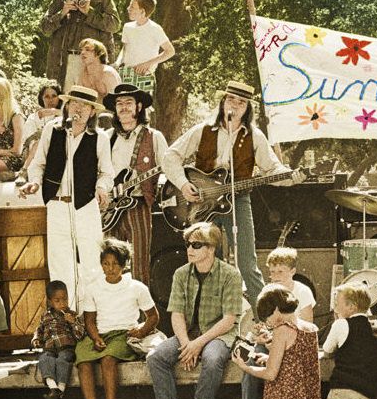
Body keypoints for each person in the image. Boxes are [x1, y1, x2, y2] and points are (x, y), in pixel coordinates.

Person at [162, 79, 296, 309]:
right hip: (201, 204)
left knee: (247, 262)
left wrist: (290, 176)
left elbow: (272, 169)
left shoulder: (255, 136)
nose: (235, 105)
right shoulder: (203, 130)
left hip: (238, 199)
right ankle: (207, 317)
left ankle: (264, 317)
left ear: (247, 108)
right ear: (223, 102)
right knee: (206, 260)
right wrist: (184, 184)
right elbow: (169, 157)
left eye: (241, 102)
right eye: (231, 99)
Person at [147, 222, 242, 399]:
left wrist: (198, 344)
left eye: (196, 245)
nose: (190, 249)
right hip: (189, 333)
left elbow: (229, 319)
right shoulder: (181, 274)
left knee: (213, 358)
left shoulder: (230, 274)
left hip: (220, 333)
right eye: (188, 244)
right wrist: (187, 343)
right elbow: (176, 314)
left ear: (210, 249)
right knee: (156, 357)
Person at [21, 84, 115, 311]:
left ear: (93, 112)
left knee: (92, 262)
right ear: (66, 105)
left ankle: (91, 315)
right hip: (57, 205)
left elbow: (106, 173)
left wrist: (102, 188)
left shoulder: (99, 137)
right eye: (74, 103)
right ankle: (65, 315)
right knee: (60, 263)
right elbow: (38, 165)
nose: (79, 109)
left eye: (85, 106)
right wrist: (34, 182)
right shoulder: (53, 131)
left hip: (85, 206)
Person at [234, 285, 322, 399]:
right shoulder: (310, 328)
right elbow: (295, 360)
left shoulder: (282, 329)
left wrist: (245, 367)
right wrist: (269, 353)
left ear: (275, 309)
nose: (267, 321)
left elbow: (270, 374)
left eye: (267, 315)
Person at [77, 239, 159, 399]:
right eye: (106, 263)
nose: (110, 268)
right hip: (99, 333)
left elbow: (153, 316)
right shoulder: (93, 287)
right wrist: (95, 337)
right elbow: (89, 320)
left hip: (123, 334)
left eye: (115, 264)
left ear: (124, 265)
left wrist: (141, 331)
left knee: (108, 359)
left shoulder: (136, 287)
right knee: (82, 359)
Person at [103, 83, 167, 286]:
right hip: (109, 208)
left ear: (139, 107)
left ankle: (143, 314)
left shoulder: (153, 137)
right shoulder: (106, 138)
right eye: (119, 103)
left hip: (138, 204)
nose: (123, 107)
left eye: (128, 103)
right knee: (109, 262)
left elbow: (168, 168)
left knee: (140, 265)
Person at [39, 0, 122, 88]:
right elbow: (44, 28)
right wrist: (62, 13)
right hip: (66, 61)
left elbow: (115, 25)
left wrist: (89, 12)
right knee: (65, 102)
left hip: (93, 61)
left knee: (93, 102)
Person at [32, 280, 82, 399]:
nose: (62, 303)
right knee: (44, 359)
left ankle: (61, 388)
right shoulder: (45, 316)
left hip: (66, 348)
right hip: (50, 348)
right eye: (57, 301)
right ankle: (52, 387)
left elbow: (80, 335)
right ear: (50, 302)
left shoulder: (72, 315)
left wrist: (73, 323)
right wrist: (36, 339)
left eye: (65, 299)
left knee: (62, 359)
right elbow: (39, 330)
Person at [115, 0, 175, 93]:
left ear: (142, 12)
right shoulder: (127, 27)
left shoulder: (155, 29)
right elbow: (125, 49)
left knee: (142, 107)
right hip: (125, 74)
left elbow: (170, 51)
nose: (128, 8)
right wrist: (117, 62)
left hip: (145, 76)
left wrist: (147, 64)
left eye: (132, 6)